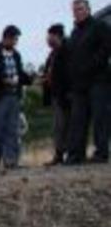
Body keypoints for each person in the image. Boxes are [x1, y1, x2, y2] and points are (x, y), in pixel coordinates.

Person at [65, 0, 111, 164]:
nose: (77, 12)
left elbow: (106, 49)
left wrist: (91, 65)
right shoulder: (74, 33)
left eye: (81, 9)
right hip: (79, 84)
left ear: (88, 10)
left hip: (98, 80)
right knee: (78, 120)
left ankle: (101, 153)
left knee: (100, 118)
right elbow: (71, 57)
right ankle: (76, 155)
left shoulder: (100, 26)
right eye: (75, 9)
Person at [0, 25, 32, 171]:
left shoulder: (16, 55)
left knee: (13, 129)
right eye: (14, 39)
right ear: (6, 38)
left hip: (14, 95)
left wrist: (31, 79)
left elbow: (20, 73)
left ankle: (11, 161)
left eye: (16, 39)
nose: (15, 42)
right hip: (0, 96)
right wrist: (4, 80)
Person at [42, 24, 71, 165]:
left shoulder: (67, 49)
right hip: (54, 94)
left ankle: (69, 154)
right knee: (58, 126)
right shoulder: (53, 53)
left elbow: (68, 73)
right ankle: (59, 155)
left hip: (64, 94)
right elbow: (49, 71)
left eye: (49, 36)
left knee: (65, 125)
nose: (47, 39)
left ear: (56, 36)